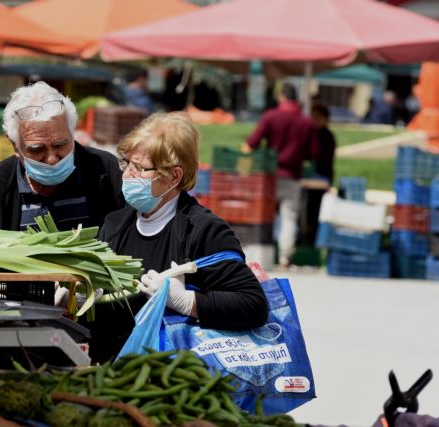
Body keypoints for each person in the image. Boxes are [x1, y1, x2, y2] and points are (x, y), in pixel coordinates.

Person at [87, 112, 268, 363]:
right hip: (112, 373)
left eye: (140, 168)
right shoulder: (115, 224)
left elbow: (253, 305)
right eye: (127, 163)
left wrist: (185, 301)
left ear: (174, 176)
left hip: (170, 376)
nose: (127, 175)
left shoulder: (204, 230)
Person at [0, 81, 124, 231]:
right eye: (37, 149)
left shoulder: (106, 171)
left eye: (60, 145)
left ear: (71, 133)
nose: (52, 159)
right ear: (15, 146)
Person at [245, 83, 318, 268]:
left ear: (282, 97)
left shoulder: (271, 117)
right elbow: (314, 153)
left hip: (269, 177)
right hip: (293, 176)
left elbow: (252, 142)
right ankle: (285, 258)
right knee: (289, 217)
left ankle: (260, 255)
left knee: (263, 214)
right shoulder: (307, 122)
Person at [311, 103, 336, 183]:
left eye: (317, 117)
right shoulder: (312, 133)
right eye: (313, 117)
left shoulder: (327, 137)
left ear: (325, 119)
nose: (314, 120)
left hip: (322, 175)